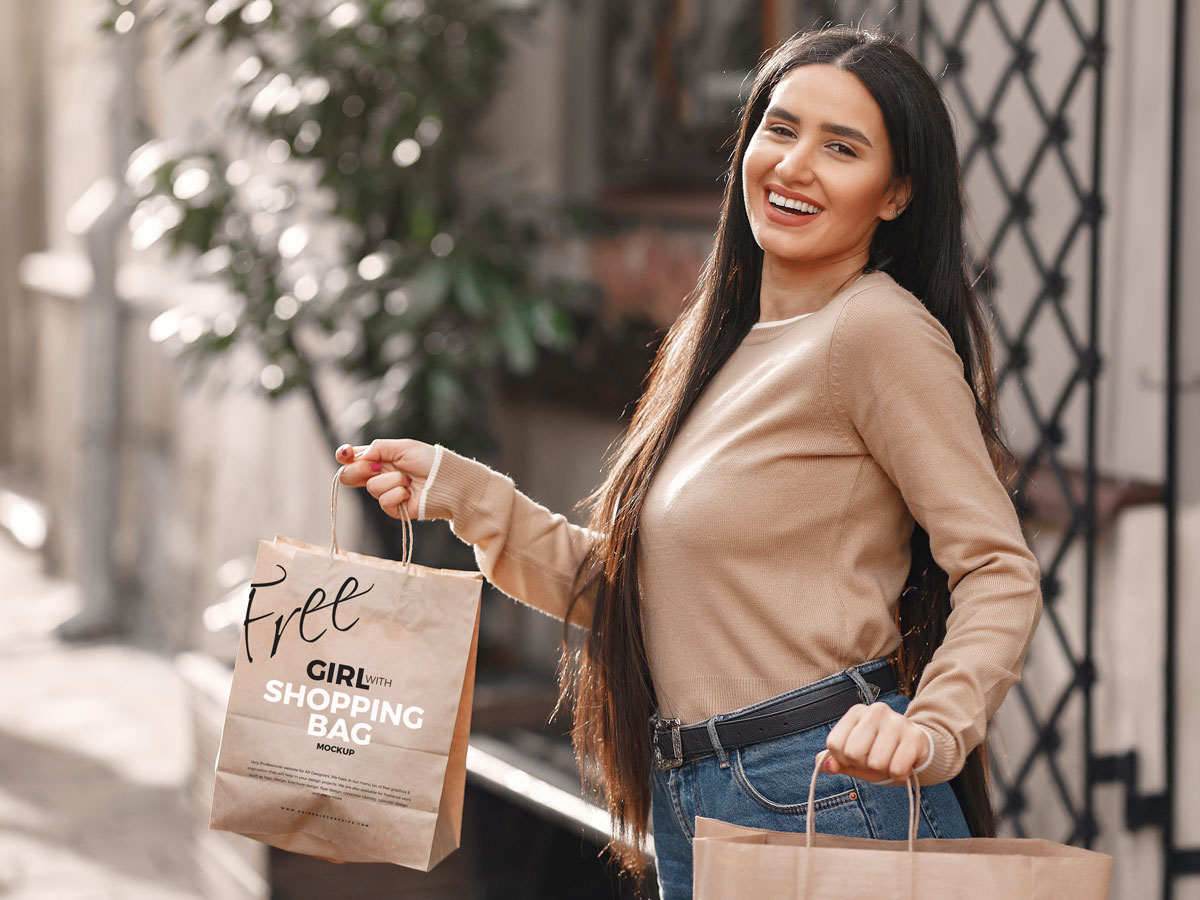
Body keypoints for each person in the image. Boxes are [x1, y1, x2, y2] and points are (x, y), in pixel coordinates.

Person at [335, 26, 1043, 900]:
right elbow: (634, 598)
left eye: (842, 147)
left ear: (894, 195)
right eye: (779, 130)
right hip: (699, 796)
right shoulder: (721, 344)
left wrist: (935, 724)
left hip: (818, 792)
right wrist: (462, 494)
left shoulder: (877, 333)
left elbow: (999, 568)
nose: (794, 165)